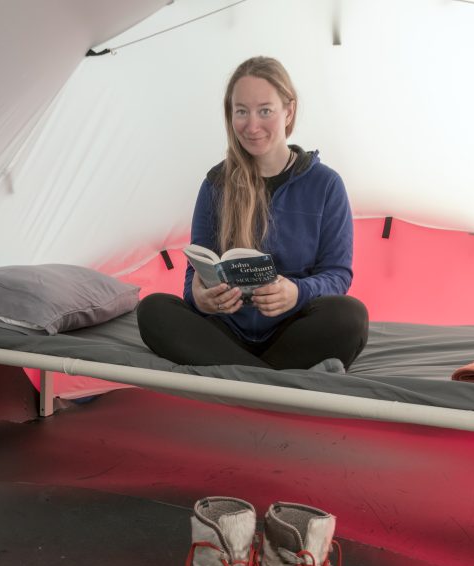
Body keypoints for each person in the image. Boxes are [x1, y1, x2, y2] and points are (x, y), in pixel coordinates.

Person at [137, 56, 368, 371]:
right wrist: (199, 296)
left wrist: (297, 293)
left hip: (292, 329)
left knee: (350, 316)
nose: (252, 125)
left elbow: (338, 275)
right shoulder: (216, 183)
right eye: (241, 111)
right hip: (225, 330)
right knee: (153, 310)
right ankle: (270, 381)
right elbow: (196, 270)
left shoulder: (326, 184)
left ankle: (240, 379)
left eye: (265, 111)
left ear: (288, 111)